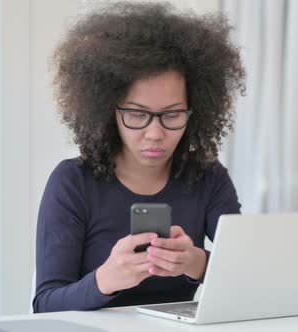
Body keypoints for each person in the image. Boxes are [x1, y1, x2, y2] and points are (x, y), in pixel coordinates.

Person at [32, 1, 245, 313]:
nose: (155, 133)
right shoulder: (73, 182)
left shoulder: (208, 178)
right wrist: (105, 280)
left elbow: (246, 276)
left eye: (172, 115)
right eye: (137, 114)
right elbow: (45, 304)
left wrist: (199, 263)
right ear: (108, 110)